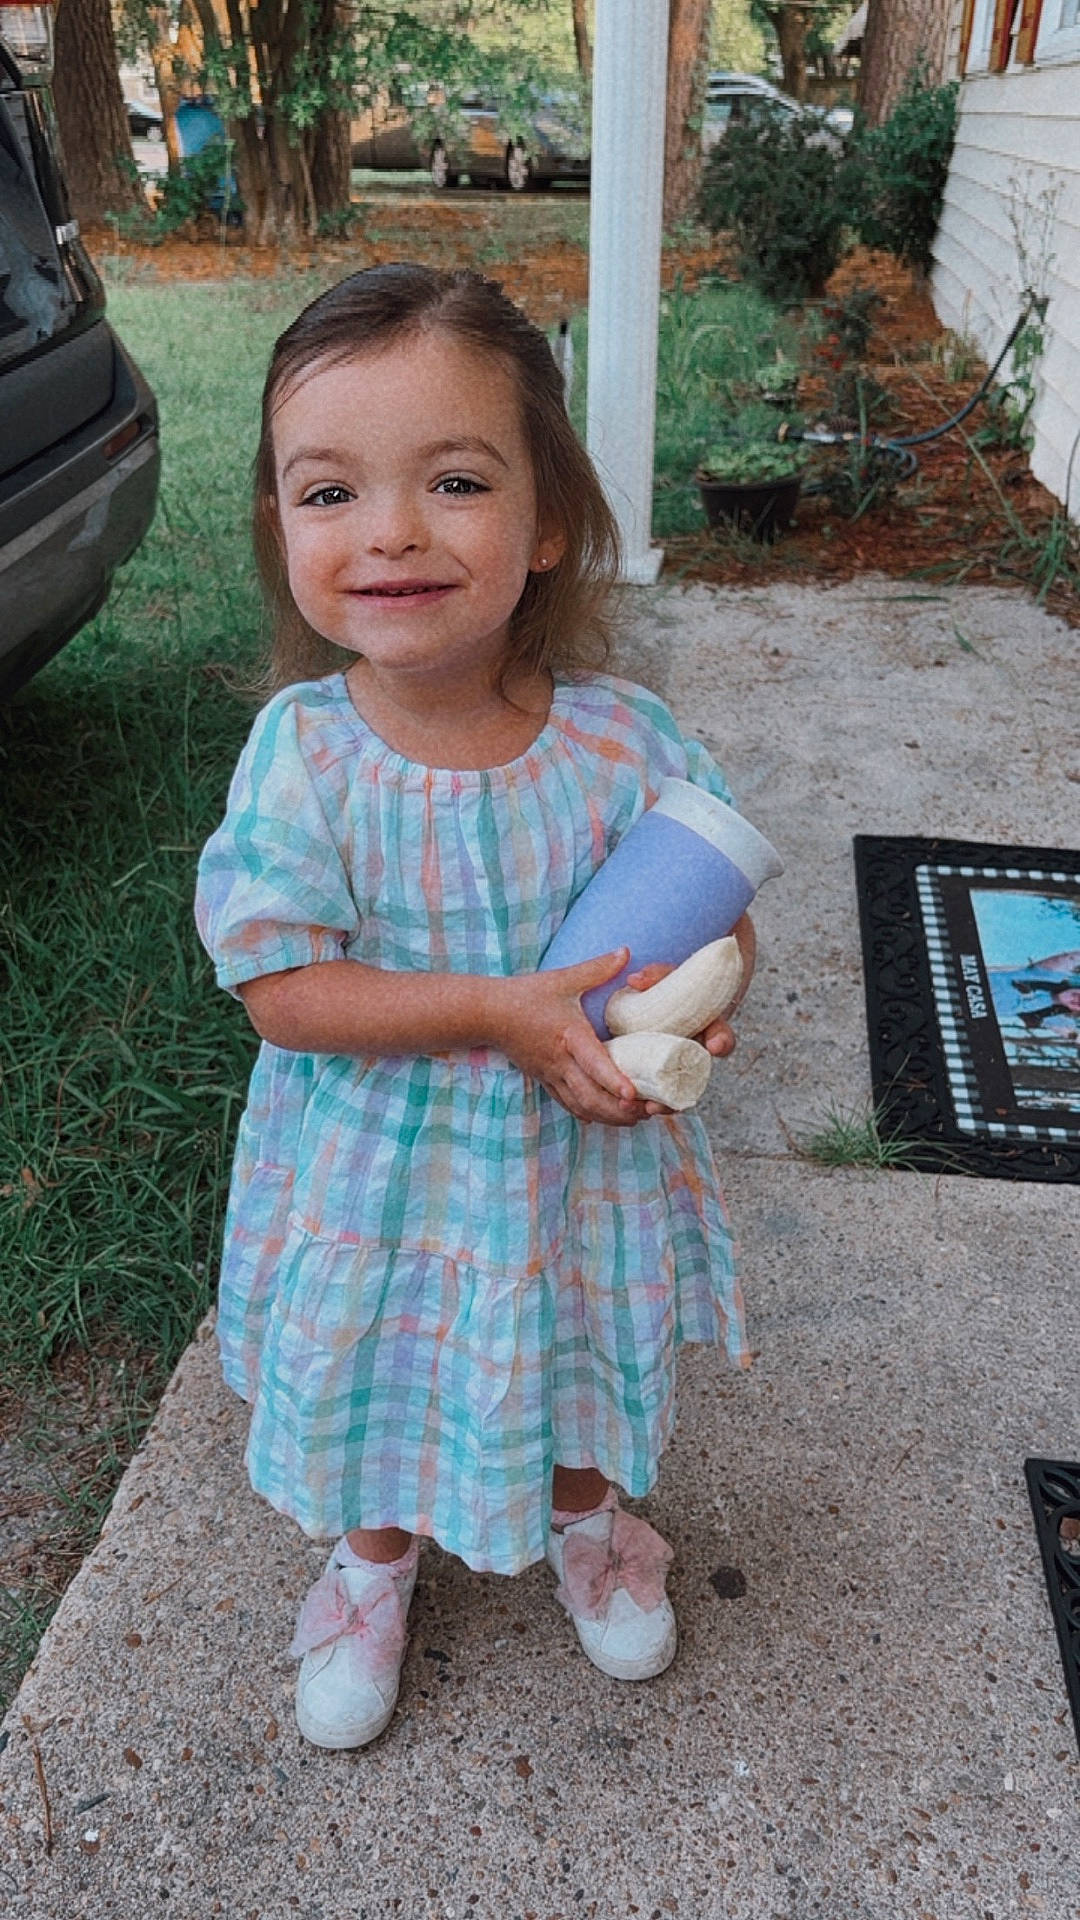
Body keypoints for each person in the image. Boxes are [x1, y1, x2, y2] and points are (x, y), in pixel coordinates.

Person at [195, 263, 756, 1752]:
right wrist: (499, 1013)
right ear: (282, 529)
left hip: (579, 1163)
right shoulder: (306, 759)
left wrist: (700, 1012)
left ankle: (586, 1520)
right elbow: (282, 986)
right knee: (390, 1358)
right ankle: (373, 1561)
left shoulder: (624, 741)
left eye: (453, 480)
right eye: (328, 493)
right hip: (383, 1172)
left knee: (573, 1345)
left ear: (549, 518)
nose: (388, 531)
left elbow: (721, 904)